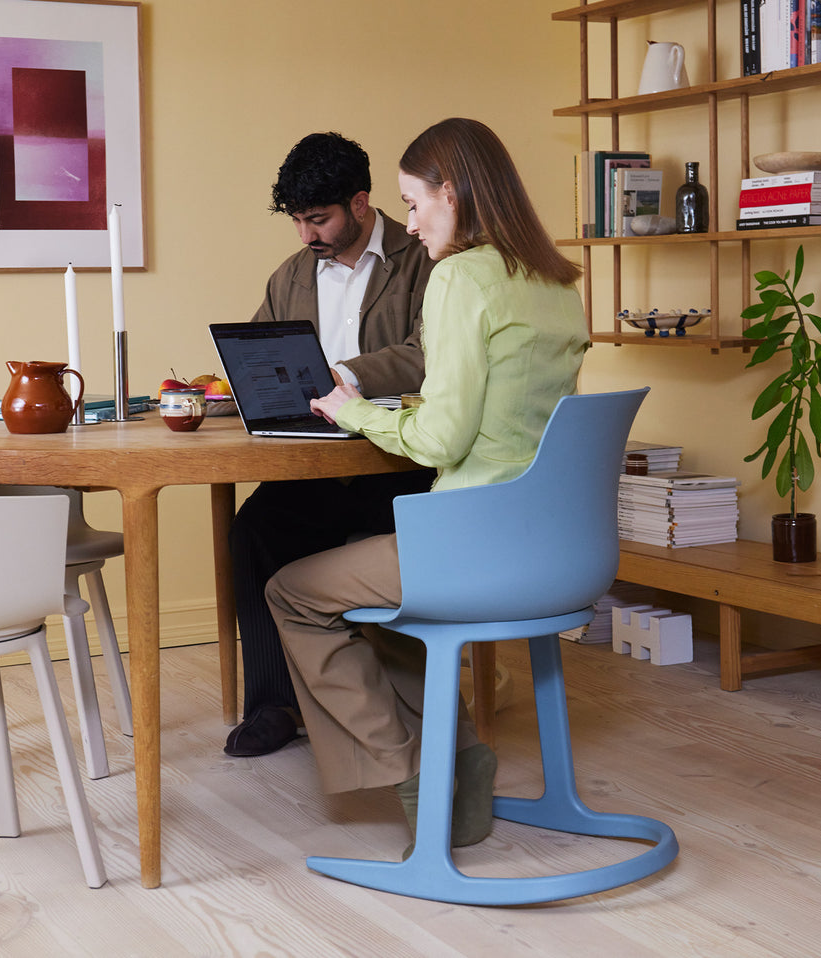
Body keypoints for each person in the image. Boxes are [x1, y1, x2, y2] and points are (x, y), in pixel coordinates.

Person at [264, 118, 590, 849]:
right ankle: (465, 769)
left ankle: (415, 771)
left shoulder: (459, 278)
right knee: (371, 590)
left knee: (295, 592)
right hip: (560, 550)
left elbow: (441, 439)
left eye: (414, 203)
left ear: (453, 192)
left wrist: (354, 412)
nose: (409, 223)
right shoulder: (558, 282)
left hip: (471, 545)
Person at [224, 132, 437, 758]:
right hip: (314, 468)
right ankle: (273, 706)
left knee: (364, 540)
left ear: (362, 203)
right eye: (297, 220)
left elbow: (431, 355)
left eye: (318, 218)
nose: (305, 235)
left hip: (395, 465)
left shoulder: (425, 258)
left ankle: (405, 702)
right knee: (252, 532)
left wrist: (347, 375)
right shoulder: (289, 275)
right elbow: (263, 350)